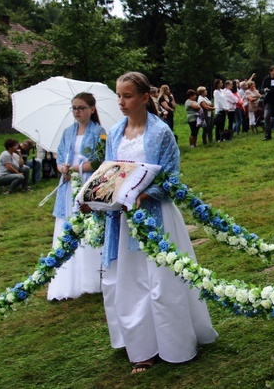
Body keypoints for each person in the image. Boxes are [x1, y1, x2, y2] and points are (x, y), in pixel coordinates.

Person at [101, 72, 217, 373]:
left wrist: (145, 193)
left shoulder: (160, 132)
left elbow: (172, 178)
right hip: (124, 219)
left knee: (162, 280)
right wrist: (100, 195)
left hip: (156, 216)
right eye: (118, 95)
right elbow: (109, 172)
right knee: (132, 281)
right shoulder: (114, 133)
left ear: (143, 97)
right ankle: (143, 348)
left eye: (127, 96)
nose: (121, 102)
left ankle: (174, 342)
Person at [47, 92, 105, 301]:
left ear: (91, 109)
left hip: (87, 183)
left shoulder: (100, 132)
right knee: (67, 226)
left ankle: (90, 279)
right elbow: (61, 155)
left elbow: (100, 160)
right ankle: (66, 282)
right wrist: (62, 167)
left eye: (81, 108)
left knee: (86, 227)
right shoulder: (67, 133)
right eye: (74, 108)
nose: (77, 112)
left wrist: (76, 167)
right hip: (68, 183)